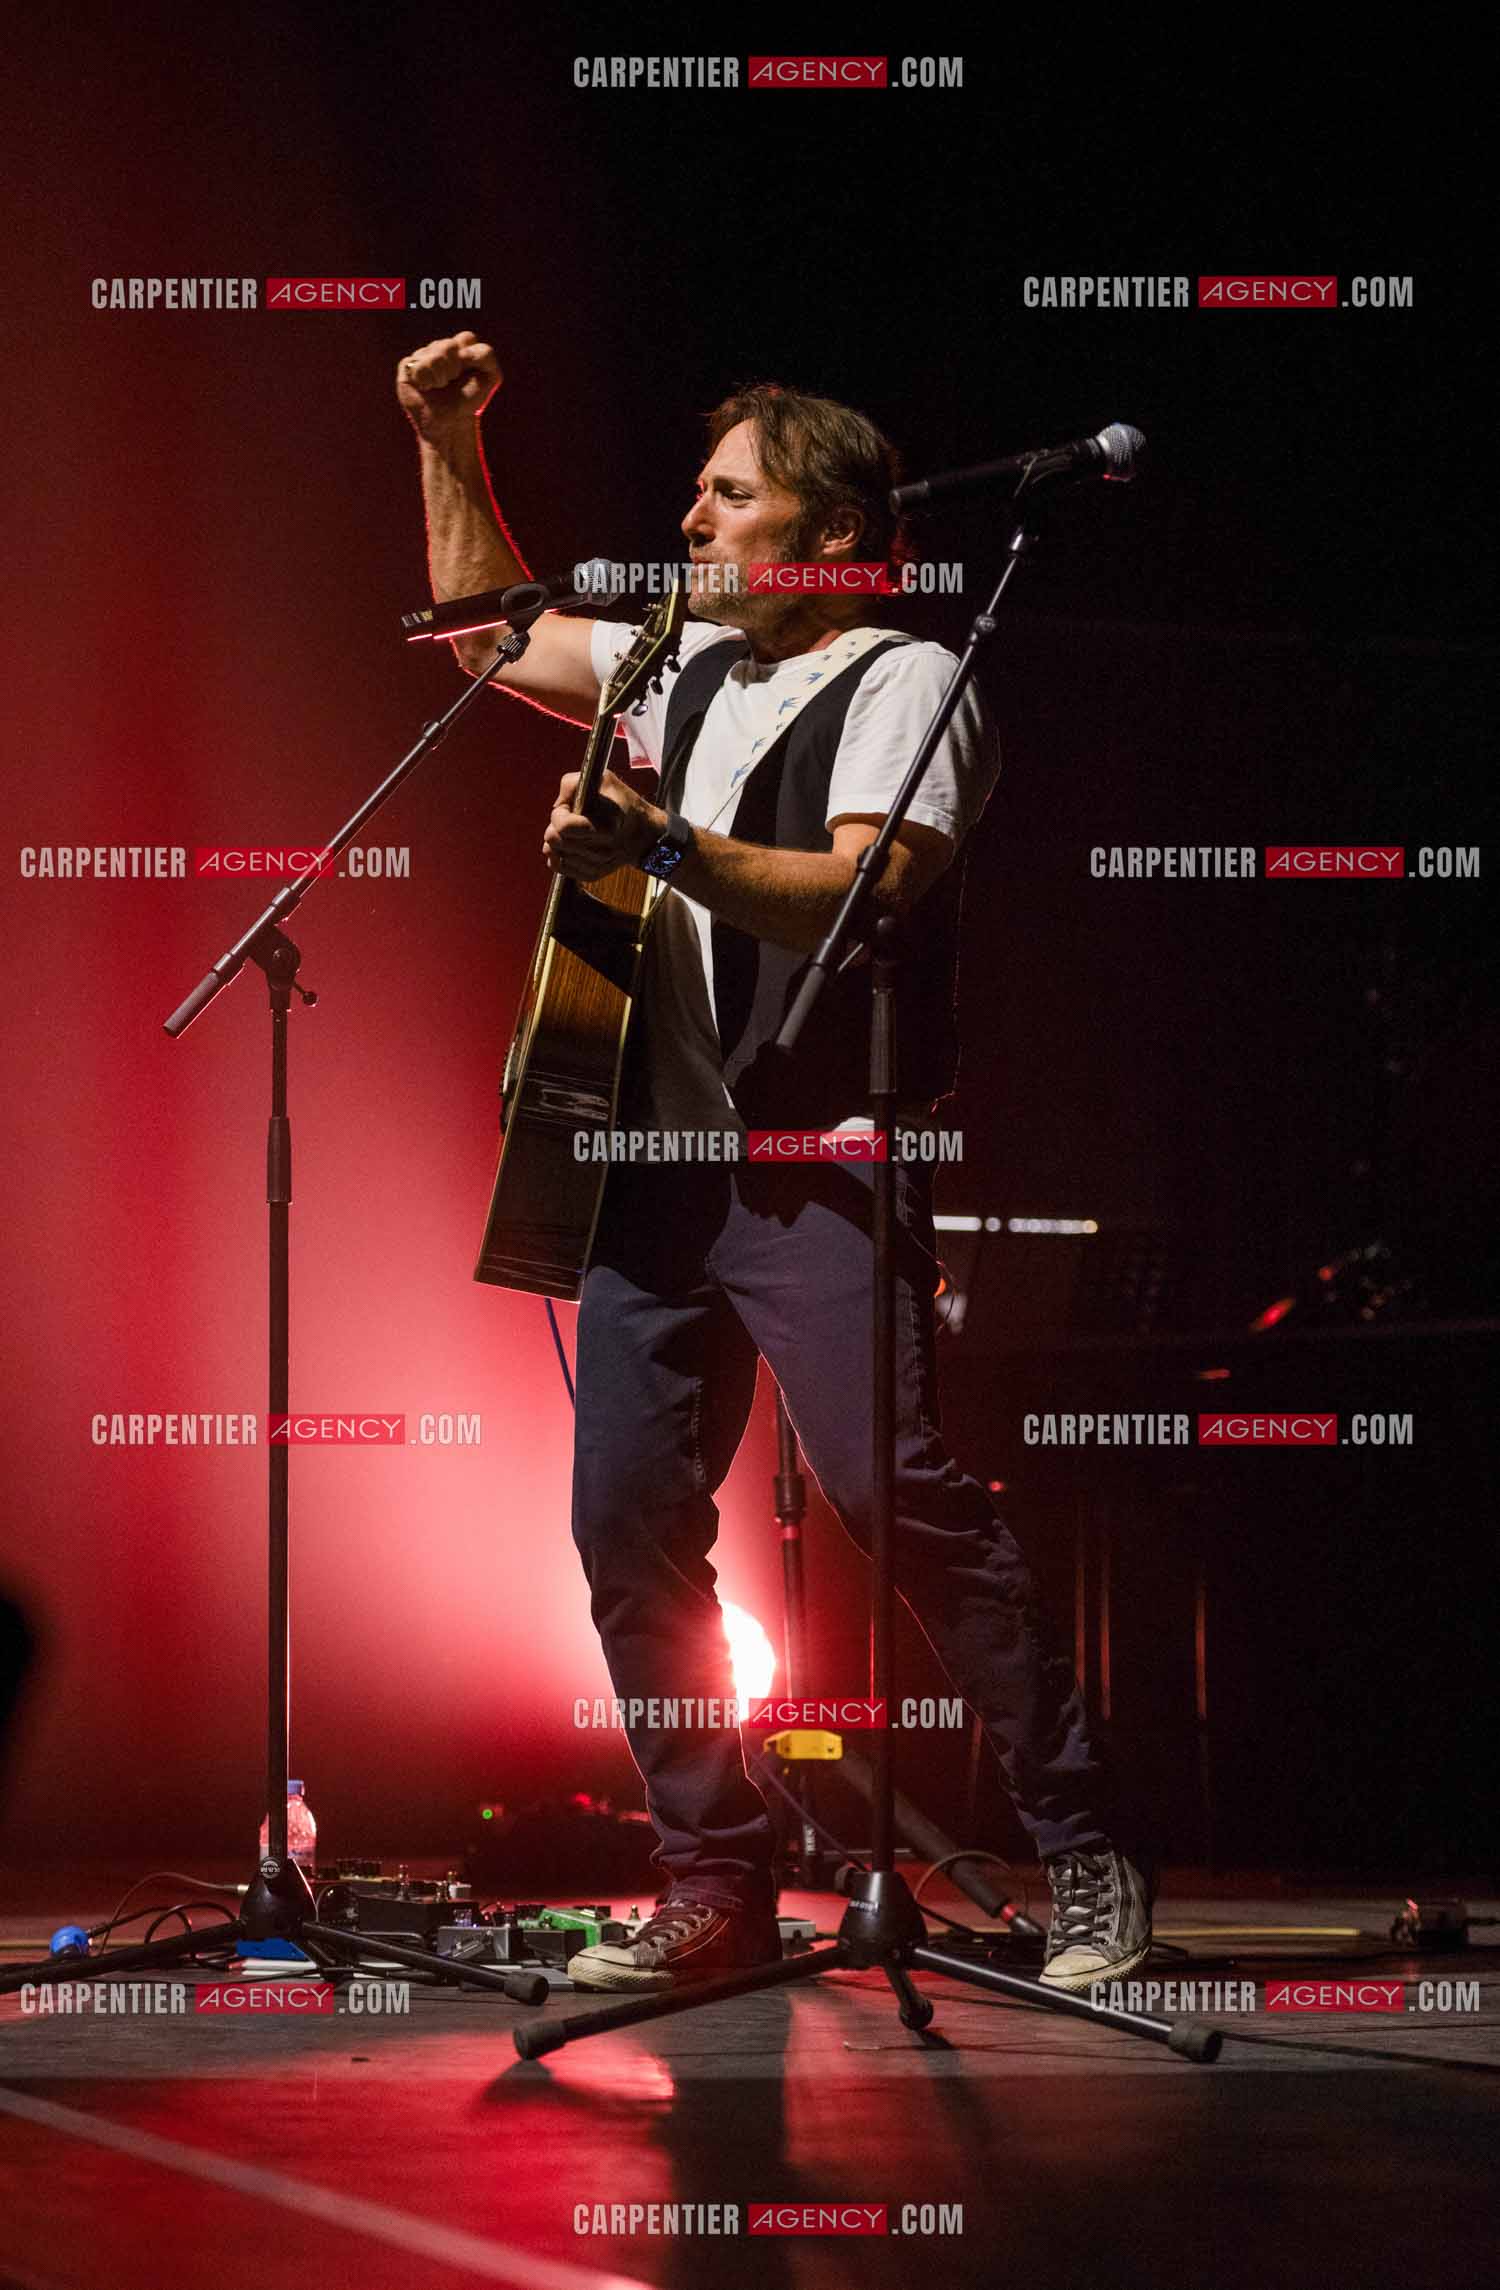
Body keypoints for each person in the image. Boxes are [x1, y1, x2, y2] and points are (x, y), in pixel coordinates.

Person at [398, 332, 1154, 1994]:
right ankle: (716, 1880)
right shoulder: (679, 663)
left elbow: (860, 891)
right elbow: (485, 634)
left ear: (830, 531)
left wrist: (660, 841)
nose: (690, 520)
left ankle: (1086, 1841)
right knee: (624, 1517)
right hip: (655, 1162)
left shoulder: (905, 679)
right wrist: (446, 438)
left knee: (892, 1491)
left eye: (729, 497)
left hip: (819, 1151)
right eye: (698, 492)